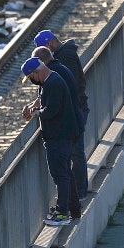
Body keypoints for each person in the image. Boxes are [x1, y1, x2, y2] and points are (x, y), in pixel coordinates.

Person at [21, 57, 82, 225]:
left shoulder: (53, 83)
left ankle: (62, 213)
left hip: (59, 137)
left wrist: (36, 113)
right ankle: (73, 209)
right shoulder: (50, 81)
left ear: (36, 72)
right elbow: (45, 101)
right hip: (63, 135)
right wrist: (34, 106)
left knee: (60, 175)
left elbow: (52, 110)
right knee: (66, 174)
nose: (32, 80)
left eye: (31, 77)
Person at [34, 30, 90, 199]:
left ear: (50, 44)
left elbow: (62, 89)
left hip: (75, 111)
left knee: (76, 152)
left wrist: (41, 109)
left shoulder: (64, 58)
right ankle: (76, 193)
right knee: (74, 152)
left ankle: (79, 192)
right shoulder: (63, 57)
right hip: (75, 110)